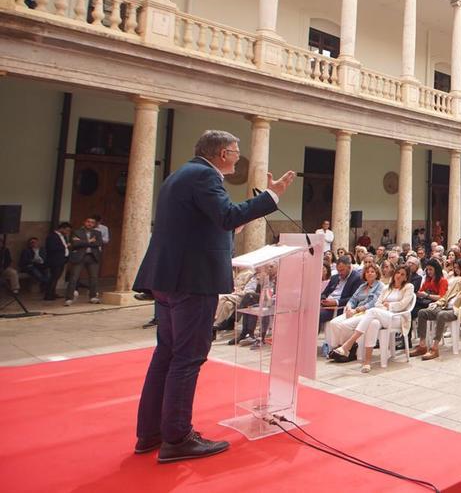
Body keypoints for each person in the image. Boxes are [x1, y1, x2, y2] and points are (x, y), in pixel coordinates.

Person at [133, 130, 294, 462]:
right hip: (191, 281)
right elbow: (228, 215)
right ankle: (177, 438)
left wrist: (228, 225)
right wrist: (271, 195)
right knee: (187, 358)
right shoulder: (206, 176)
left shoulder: (182, 175)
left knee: (166, 355)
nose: (238, 156)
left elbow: (206, 223)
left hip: (169, 278)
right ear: (222, 153)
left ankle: (151, 432)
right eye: (235, 151)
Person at [333, 264, 414, 372]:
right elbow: (378, 303)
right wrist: (384, 307)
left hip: (397, 317)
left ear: (406, 277)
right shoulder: (387, 288)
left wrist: (389, 305)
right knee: (373, 323)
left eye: (402, 274)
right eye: (398, 273)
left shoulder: (408, 287)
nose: (399, 276)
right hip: (382, 315)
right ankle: (367, 362)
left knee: (371, 311)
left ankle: (348, 344)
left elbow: (403, 304)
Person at [413, 262, 461, 360]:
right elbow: (446, 296)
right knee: (422, 312)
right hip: (445, 307)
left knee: (441, 315)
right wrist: (437, 303)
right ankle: (422, 345)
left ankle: (435, 347)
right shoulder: (458, 281)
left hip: (459, 310)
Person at [325, 264, 384, 361]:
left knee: (344, 325)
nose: (369, 274)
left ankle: (348, 351)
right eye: (367, 272)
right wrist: (349, 307)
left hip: (367, 313)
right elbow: (353, 299)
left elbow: (374, 303)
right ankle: (338, 348)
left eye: (372, 272)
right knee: (333, 323)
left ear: (377, 274)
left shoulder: (380, 286)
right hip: (354, 311)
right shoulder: (362, 286)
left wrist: (357, 310)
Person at [65, 215, 103, 305]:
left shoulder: (97, 233)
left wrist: (82, 242)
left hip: (92, 257)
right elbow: (75, 244)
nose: (90, 224)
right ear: (84, 222)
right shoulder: (76, 232)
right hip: (79, 256)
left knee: (93, 278)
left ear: (94, 224)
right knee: (74, 277)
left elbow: (98, 243)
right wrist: (89, 241)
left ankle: (93, 296)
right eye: (88, 222)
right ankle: (69, 298)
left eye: (92, 222)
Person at [319, 256, 363, 325]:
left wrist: (336, 302)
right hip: (326, 304)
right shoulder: (335, 277)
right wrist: (323, 299)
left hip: (339, 308)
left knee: (317, 315)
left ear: (349, 267)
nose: (340, 273)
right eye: (338, 270)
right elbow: (324, 293)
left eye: (342, 270)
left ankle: (312, 336)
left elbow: (354, 298)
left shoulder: (357, 278)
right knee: (309, 312)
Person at [42, 222, 71, 300]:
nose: (67, 232)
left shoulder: (63, 237)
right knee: (53, 277)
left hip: (62, 259)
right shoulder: (52, 236)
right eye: (67, 230)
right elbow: (51, 247)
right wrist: (65, 246)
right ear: (62, 228)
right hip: (55, 260)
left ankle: (53, 292)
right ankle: (48, 295)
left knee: (57, 277)